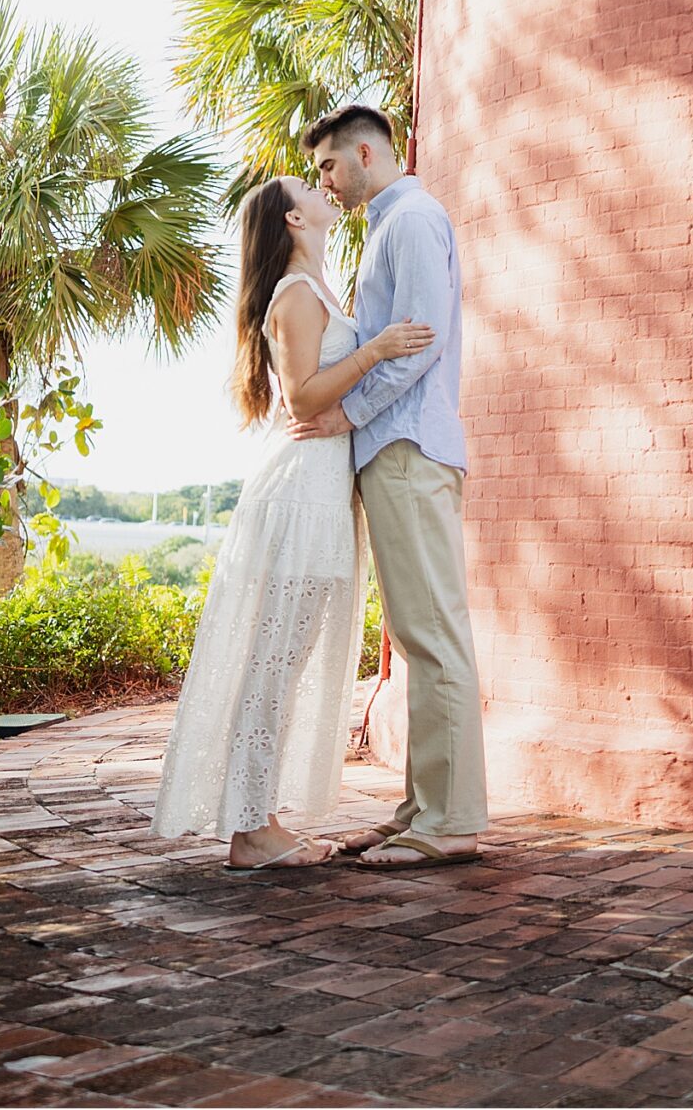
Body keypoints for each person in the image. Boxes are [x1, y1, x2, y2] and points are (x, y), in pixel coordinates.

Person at [151, 173, 434, 870]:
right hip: (299, 495)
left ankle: (259, 820)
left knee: (282, 662)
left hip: (321, 493)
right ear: (294, 222)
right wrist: (376, 350)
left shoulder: (316, 290)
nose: (319, 188)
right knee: (272, 665)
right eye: (305, 188)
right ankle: (252, 833)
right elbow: (304, 400)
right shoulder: (297, 296)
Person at [293, 104, 488, 868]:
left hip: (407, 447)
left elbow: (419, 346)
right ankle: (422, 811)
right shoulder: (392, 222)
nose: (326, 185)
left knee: (434, 635)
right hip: (398, 452)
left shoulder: (409, 221)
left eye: (329, 168)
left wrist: (348, 411)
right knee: (420, 633)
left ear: (366, 155)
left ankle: (449, 824)